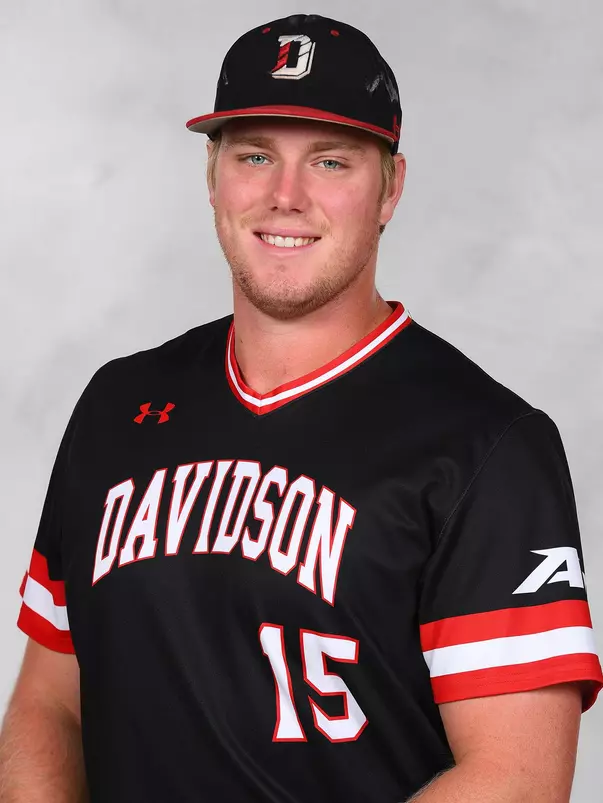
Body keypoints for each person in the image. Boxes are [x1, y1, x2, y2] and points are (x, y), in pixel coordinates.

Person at [0, 13, 601, 803]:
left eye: (329, 161)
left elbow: (513, 779)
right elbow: (50, 705)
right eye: (254, 156)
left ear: (389, 187)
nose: (285, 196)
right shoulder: (116, 405)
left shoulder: (489, 444)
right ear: (212, 176)